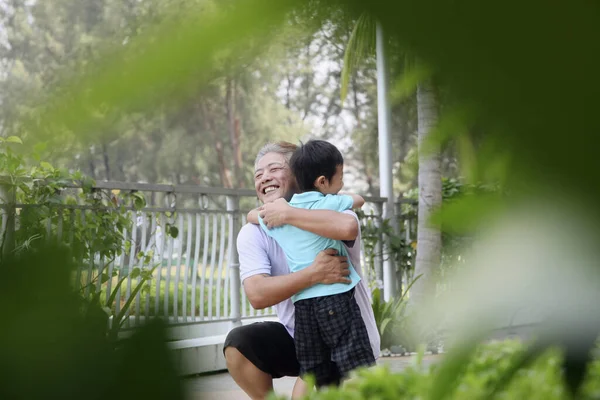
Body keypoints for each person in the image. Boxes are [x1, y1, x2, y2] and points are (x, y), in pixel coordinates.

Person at [223, 141, 380, 400]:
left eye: (274, 169)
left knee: (326, 381)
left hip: (346, 331)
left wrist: (287, 214)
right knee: (240, 342)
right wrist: (314, 274)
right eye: (259, 175)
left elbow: (347, 227)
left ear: (298, 173)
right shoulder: (253, 233)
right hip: (301, 336)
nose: (265, 178)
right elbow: (257, 295)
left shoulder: (330, 208)